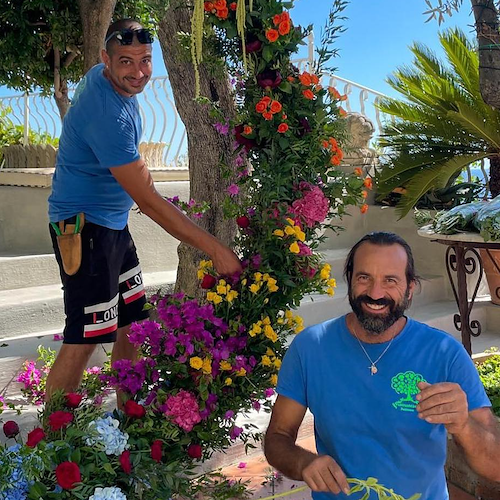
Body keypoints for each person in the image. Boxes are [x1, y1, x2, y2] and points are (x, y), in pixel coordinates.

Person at [46, 19, 242, 400]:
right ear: (106, 58)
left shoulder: (102, 78)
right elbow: (150, 202)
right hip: (83, 229)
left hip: (112, 226)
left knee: (133, 322)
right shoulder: (108, 115)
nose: (138, 73)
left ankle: (128, 415)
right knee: (86, 336)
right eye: (126, 62)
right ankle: (51, 444)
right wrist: (216, 249)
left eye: (145, 60)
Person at [264, 232, 500, 500]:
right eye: (364, 278)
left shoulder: (445, 354)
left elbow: (495, 467)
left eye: (390, 280)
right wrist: (303, 463)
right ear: (350, 280)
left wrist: (464, 426)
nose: (375, 293)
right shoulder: (310, 347)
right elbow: (277, 437)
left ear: (410, 288)